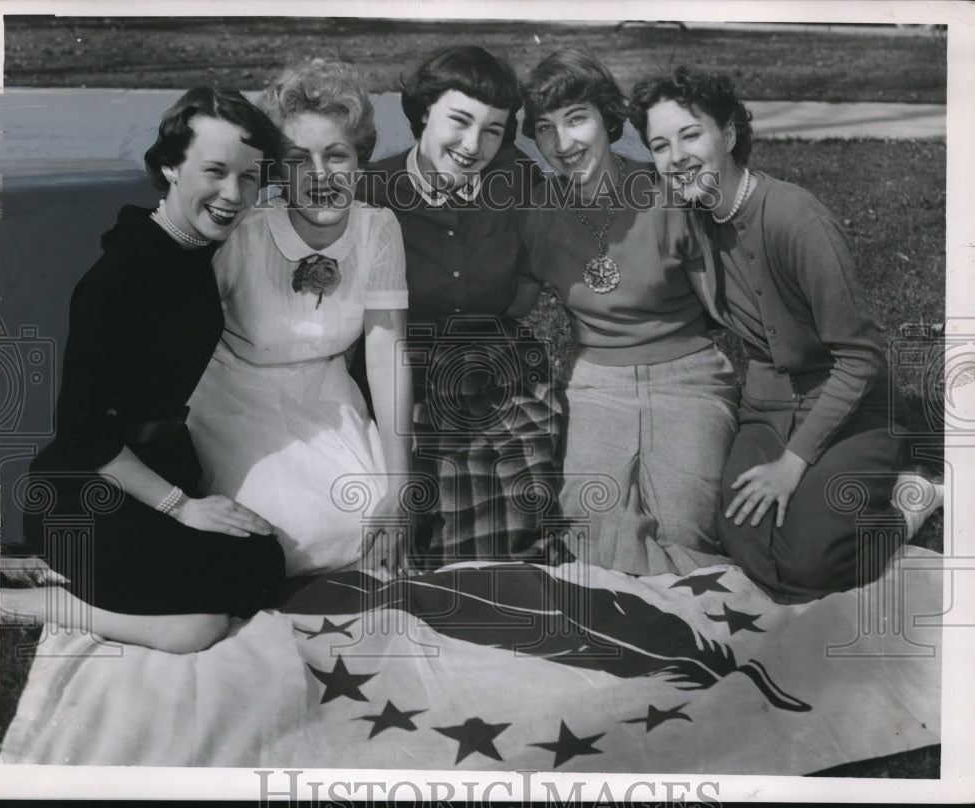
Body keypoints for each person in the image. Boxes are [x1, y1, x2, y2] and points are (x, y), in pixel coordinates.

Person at [629, 66, 944, 602]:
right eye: (660, 145)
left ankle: (911, 499)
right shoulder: (695, 217)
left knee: (811, 564)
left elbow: (862, 358)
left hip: (853, 406)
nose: (675, 156)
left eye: (690, 135)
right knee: (745, 543)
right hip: (767, 407)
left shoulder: (796, 218)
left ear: (727, 135)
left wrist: (792, 463)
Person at [3, 87, 287, 653]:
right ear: (169, 166)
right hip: (83, 492)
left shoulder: (186, 251)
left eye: (250, 177)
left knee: (262, 559)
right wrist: (181, 508)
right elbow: (83, 434)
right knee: (200, 623)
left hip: (155, 469)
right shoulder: (120, 276)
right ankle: (16, 601)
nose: (234, 194)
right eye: (215, 171)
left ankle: (61, 577)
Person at [186, 58, 412, 576]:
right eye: (297, 159)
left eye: (336, 155)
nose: (320, 177)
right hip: (234, 396)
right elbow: (173, 332)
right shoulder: (242, 230)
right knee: (287, 538)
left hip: (326, 393)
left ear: (361, 158)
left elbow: (387, 356)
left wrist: (402, 487)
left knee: (373, 522)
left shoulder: (379, 229)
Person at [516, 51, 738, 575]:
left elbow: (727, 311)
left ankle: (661, 597)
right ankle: (650, 593)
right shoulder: (534, 213)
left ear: (608, 120)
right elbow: (507, 305)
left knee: (689, 532)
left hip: (690, 377)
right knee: (587, 530)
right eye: (545, 129)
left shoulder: (668, 194)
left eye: (577, 119)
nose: (563, 144)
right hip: (595, 382)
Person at [358, 45, 568, 569]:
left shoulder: (517, 180)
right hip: (405, 372)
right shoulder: (373, 193)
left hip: (498, 363)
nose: (473, 145)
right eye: (459, 120)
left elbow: (533, 275)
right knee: (429, 515)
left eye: (493, 129)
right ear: (424, 110)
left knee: (528, 497)